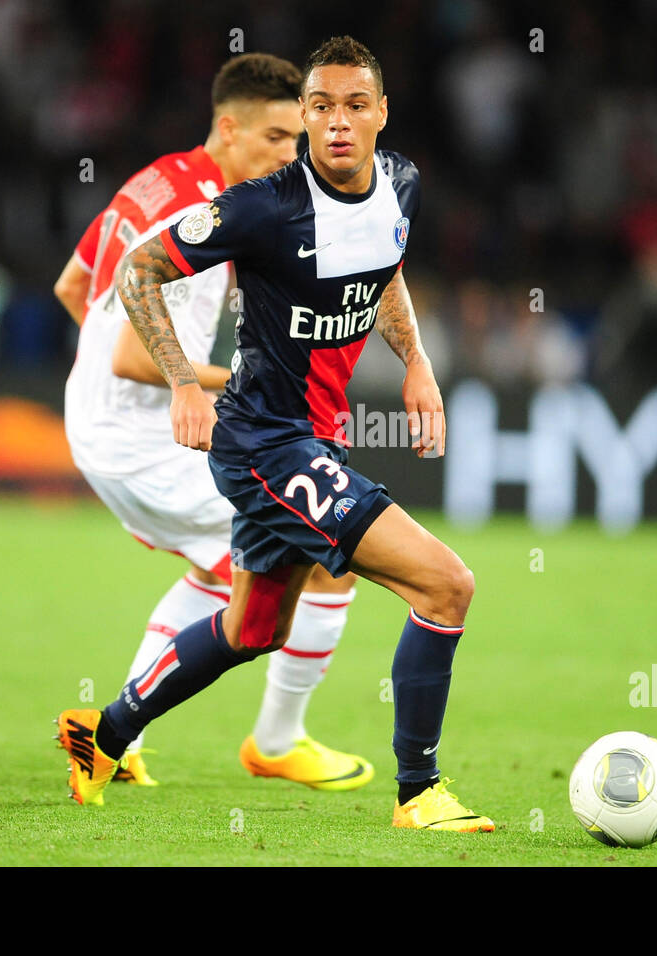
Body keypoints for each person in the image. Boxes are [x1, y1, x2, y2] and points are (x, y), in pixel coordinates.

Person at [58, 36, 493, 831]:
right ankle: (418, 792)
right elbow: (138, 271)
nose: (336, 124)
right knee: (445, 583)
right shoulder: (262, 205)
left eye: (355, 106)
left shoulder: (403, 184)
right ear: (304, 116)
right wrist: (185, 384)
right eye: (319, 108)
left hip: (313, 439)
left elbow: (384, 269)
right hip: (266, 445)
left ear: (382, 114)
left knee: (253, 627)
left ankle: (107, 732)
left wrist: (418, 362)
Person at [55, 53, 371, 795]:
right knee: (327, 551)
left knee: (221, 564)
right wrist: (252, 384)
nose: (290, 157)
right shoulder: (195, 217)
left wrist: (106, 374)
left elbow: (73, 285)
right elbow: (137, 359)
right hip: (142, 440)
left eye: (298, 141)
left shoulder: (157, 178)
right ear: (227, 129)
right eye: (275, 138)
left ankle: (110, 740)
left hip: (102, 426)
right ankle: (277, 740)